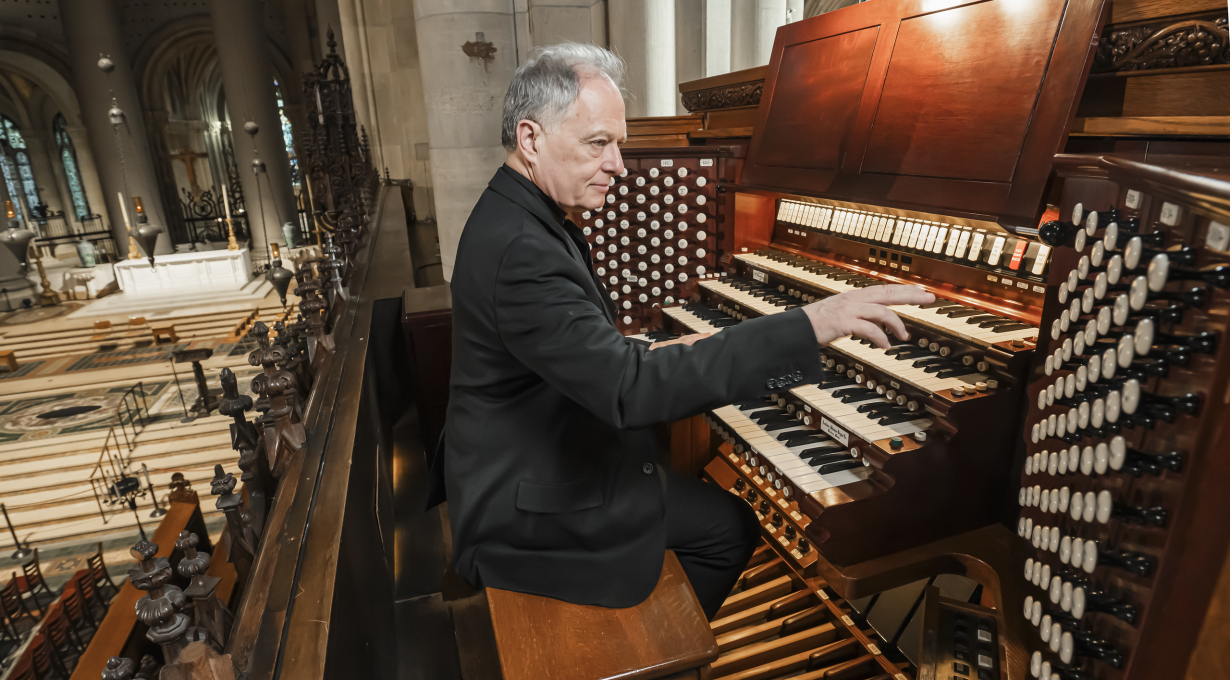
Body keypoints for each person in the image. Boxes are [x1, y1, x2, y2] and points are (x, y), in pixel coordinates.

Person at [439, 43, 933, 619]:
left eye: (619, 144)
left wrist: (672, 345)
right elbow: (629, 390)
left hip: (513, 456)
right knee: (728, 527)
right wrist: (810, 322)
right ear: (530, 139)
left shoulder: (518, 214)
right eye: (599, 143)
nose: (620, 165)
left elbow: (579, 351)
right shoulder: (522, 247)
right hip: (519, 506)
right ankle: (661, 652)